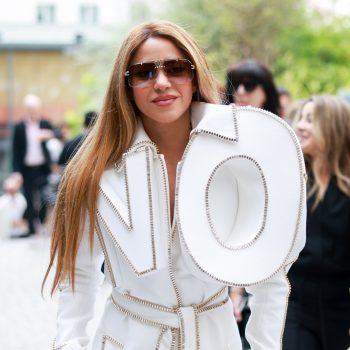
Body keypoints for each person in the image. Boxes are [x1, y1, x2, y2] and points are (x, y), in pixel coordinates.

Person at [44, 21, 306, 350]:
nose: (162, 82)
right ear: (126, 85)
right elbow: (78, 274)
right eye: (144, 73)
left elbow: (269, 278)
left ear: (194, 76)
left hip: (216, 337)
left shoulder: (239, 156)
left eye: (176, 68)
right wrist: (69, 344)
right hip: (126, 338)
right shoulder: (95, 169)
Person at [283, 95, 350, 350]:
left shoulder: (345, 189)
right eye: (300, 118)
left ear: (332, 127)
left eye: (310, 120)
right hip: (294, 301)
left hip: (339, 307)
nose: (300, 125)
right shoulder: (291, 179)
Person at [12, 94, 55, 236]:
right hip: (27, 169)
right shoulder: (19, 127)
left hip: (43, 168)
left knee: (44, 197)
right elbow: (16, 151)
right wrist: (16, 171)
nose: (33, 111)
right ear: (26, 109)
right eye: (30, 108)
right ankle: (31, 229)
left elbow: (59, 133)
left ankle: (41, 222)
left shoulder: (44, 123)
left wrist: (49, 134)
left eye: (35, 108)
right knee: (29, 199)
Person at [0, 173, 27, 238]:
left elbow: (24, 215)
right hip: (5, 234)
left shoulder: (21, 199)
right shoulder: (2, 201)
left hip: (20, 232)